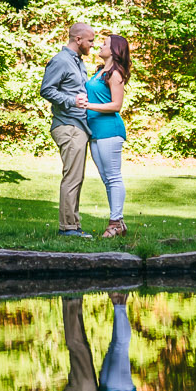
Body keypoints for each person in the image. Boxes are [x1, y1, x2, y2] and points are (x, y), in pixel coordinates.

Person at [39, 23, 98, 237]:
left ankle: (74, 226)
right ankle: (68, 228)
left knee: (76, 177)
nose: (93, 44)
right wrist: (72, 100)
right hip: (68, 125)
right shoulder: (61, 61)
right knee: (72, 177)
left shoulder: (78, 63)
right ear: (78, 39)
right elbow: (46, 89)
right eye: (90, 40)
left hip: (79, 125)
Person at [83, 33, 131, 238]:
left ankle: (114, 224)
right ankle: (119, 223)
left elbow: (116, 105)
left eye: (104, 44)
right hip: (95, 132)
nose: (99, 46)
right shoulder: (100, 72)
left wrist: (88, 105)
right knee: (106, 179)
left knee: (113, 177)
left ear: (114, 50)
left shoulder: (115, 74)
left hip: (110, 131)